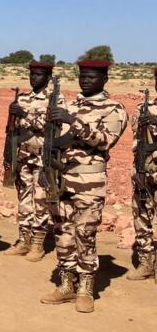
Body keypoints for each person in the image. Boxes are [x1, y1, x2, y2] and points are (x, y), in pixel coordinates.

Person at [39, 59, 127, 313]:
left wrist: (72, 120)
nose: (85, 80)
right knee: (62, 231)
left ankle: (86, 287)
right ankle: (66, 284)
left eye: (91, 77)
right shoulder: (70, 104)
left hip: (89, 180)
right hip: (61, 177)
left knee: (84, 233)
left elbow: (104, 141)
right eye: (82, 76)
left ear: (104, 79)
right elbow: (53, 140)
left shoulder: (114, 109)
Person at [5, 61, 64, 261]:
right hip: (23, 155)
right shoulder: (23, 99)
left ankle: (38, 243)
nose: (34, 78)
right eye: (32, 74)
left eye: (38, 75)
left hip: (43, 157)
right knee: (23, 199)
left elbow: (53, 128)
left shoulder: (56, 100)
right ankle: (23, 239)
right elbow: (13, 130)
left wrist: (25, 115)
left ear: (48, 78)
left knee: (40, 200)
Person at [127, 67, 157, 281]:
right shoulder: (143, 108)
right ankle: (146, 262)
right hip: (144, 170)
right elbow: (136, 137)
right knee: (141, 216)